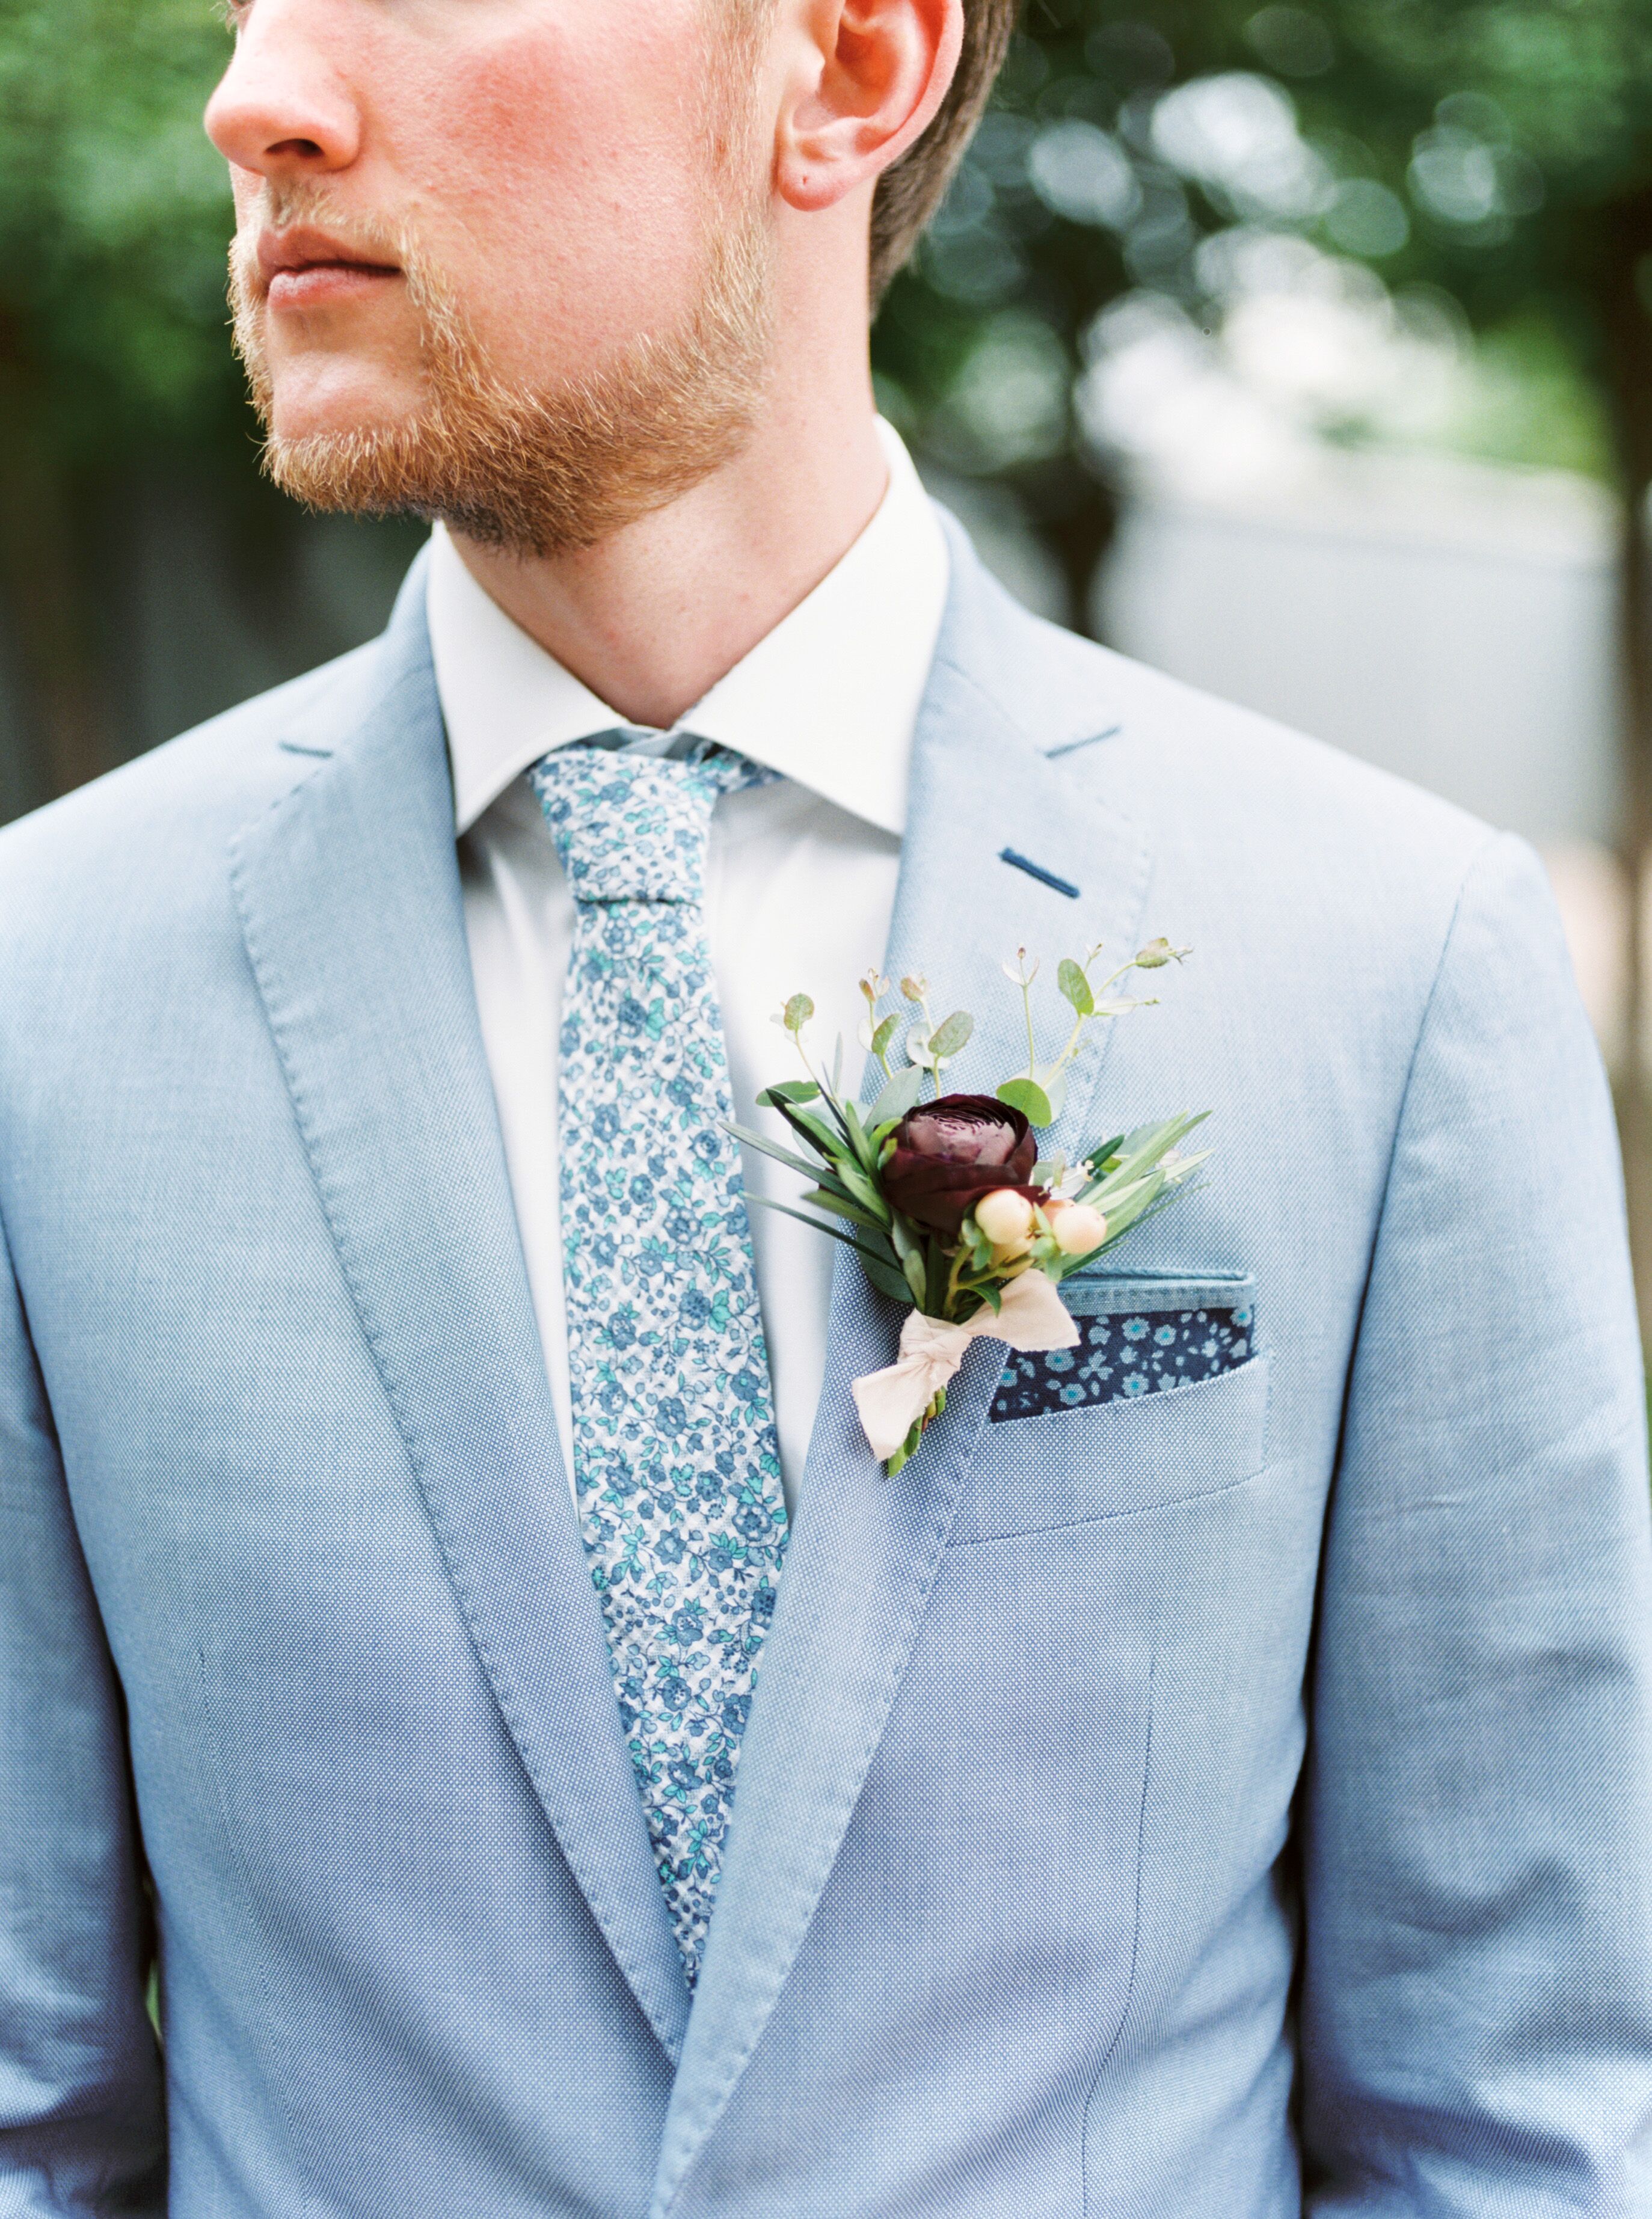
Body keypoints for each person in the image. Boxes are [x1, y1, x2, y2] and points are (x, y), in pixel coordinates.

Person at [2, 0, 1649, 2211]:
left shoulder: (1388, 956)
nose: (255, 93)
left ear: (853, 61)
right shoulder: (43, 988)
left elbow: (1513, 2109)